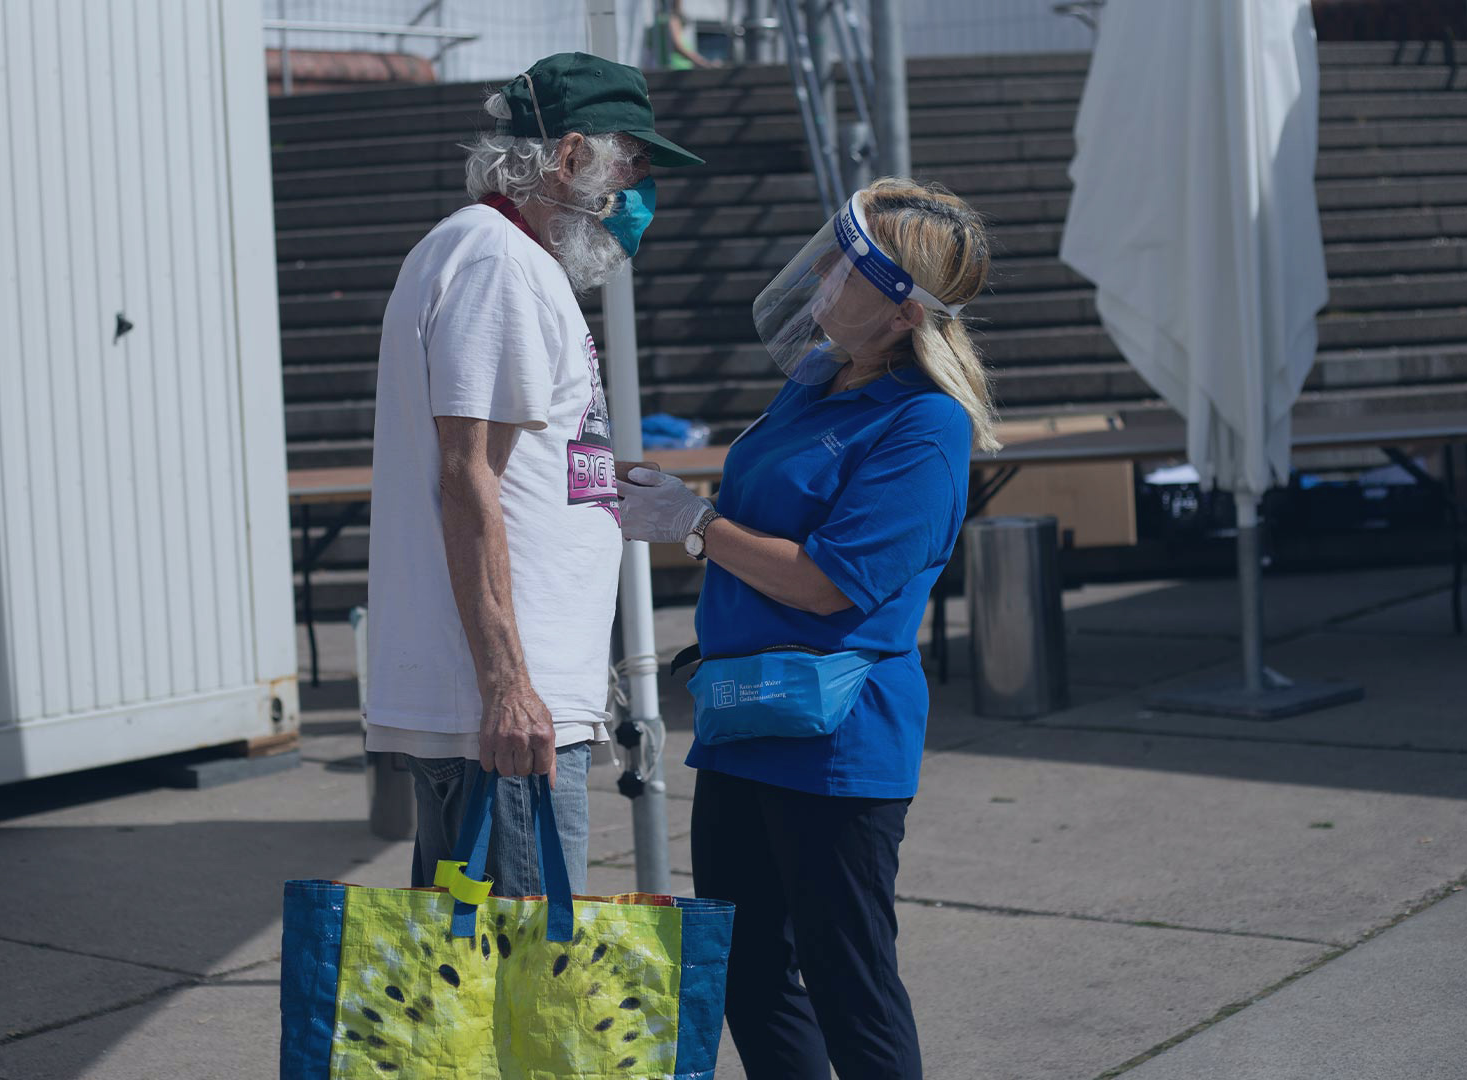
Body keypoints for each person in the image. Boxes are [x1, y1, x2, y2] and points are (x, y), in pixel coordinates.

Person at [618, 178, 998, 1078]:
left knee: (847, 978)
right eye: (825, 254)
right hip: (746, 717)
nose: (821, 275)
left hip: (836, 737)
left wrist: (696, 524)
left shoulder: (925, 422)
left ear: (904, 313)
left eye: (846, 265)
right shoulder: (817, 382)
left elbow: (832, 585)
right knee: (745, 973)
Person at [364, 53, 702, 899]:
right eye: (633, 162)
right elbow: (466, 476)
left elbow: (504, 464)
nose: (638, 189)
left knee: (476, 987)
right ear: (569, 154)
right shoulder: (499, 265)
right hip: (511, 710)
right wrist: (510, 685)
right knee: (516, 990)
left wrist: (593, 481)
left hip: (513, 703)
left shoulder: (501, 257)